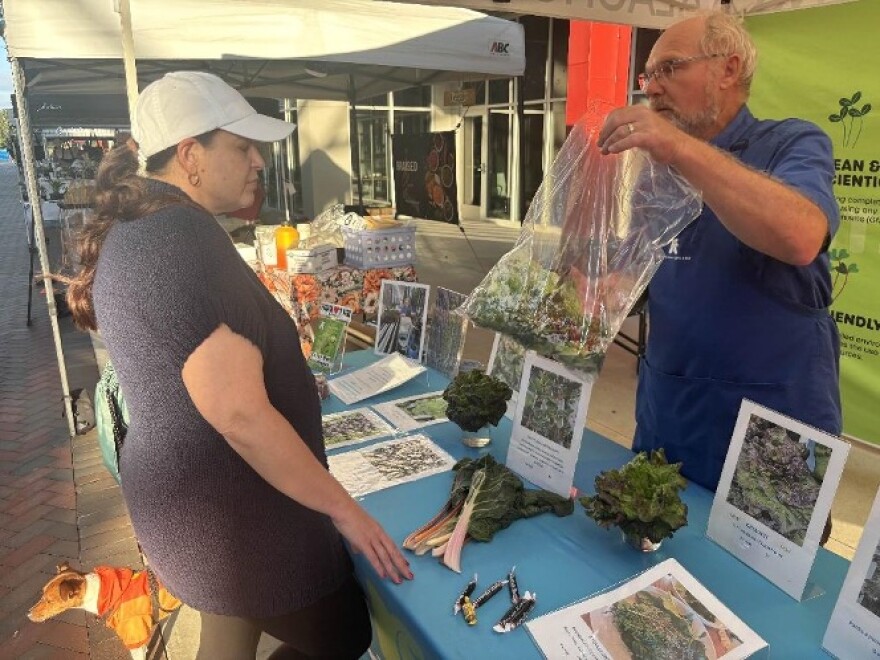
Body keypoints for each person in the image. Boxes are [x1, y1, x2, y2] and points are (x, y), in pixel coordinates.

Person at [64, 71, 412, 659]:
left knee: (229, 634)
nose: (259, 162)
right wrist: (344, 512)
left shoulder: (138, 227)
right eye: (242, 147)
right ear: (189, 154)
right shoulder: (179, 237)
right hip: (237, 522)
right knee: (343, 636)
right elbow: (240, 416)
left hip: (194, 516)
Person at [598, 12, 841, 491]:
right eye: (649, 75)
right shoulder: (653, 172)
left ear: (727, 70)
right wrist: (607, 291)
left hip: (768, 424)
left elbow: (801, 236)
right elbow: (642, 272)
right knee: (654, 548)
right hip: (667, 411)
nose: (653, 88)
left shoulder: (792, 142)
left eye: (670, 68)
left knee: (753, 563)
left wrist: (679, 150)